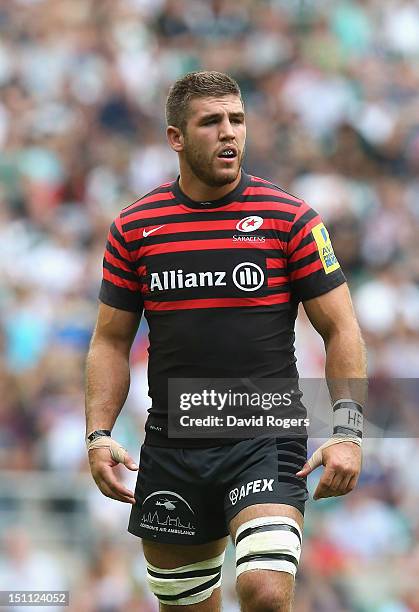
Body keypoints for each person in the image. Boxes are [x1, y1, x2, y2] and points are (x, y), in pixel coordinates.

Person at [85, 71, 366, 612]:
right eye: (211, 122)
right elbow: (109, 341)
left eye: (237, 120)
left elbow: (342, 329)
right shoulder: (135, 227)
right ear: (176, 137)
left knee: (263, 590)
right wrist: (97, 433)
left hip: (265, 435)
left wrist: (349, 429)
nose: (228, 133)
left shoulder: (290, 218)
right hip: (173, 444)